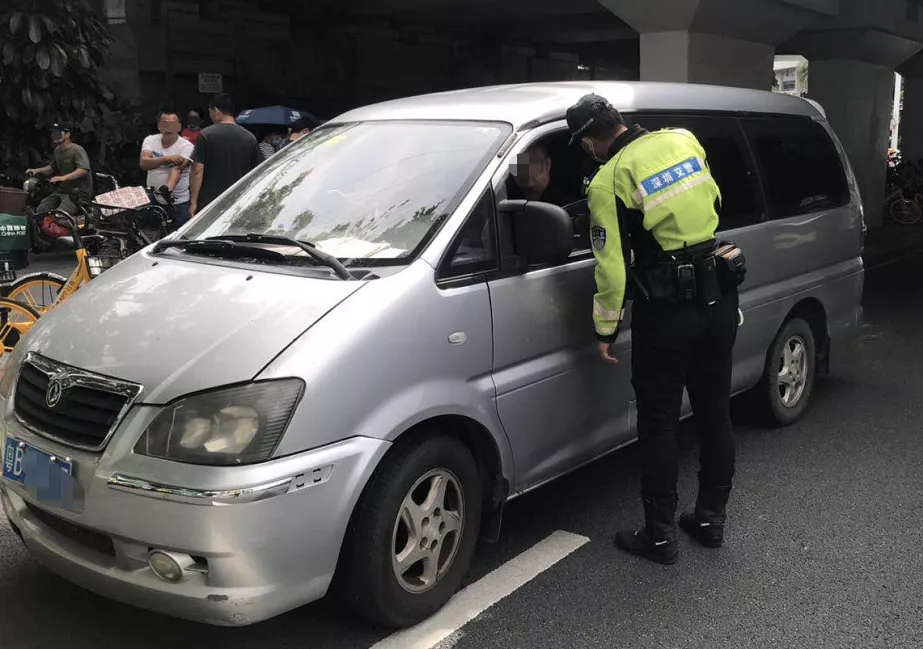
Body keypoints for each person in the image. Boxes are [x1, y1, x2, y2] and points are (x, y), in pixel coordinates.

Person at [566, 93, 745, 565]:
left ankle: (660, 536)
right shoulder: (684, 139)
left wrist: (605, 328)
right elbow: (714, 200)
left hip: (666, 312)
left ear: (588, 142)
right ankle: (710, 520)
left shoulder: (608, 179)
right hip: (719, 296)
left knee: (660, 420)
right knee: (714, 411)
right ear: (619, 121)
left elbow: (611, 268)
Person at [189, 94, 264, 217]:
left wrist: (193, 201)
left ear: (216, 110)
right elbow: (258, 171)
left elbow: (197, 170)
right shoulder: (249, 137)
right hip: (239, 201)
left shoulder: (206, 135)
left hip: (209, 202)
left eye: (210, 112)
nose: (210, 116)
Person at [140, 111, 195, 228]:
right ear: (159, 126)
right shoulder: (150, 140)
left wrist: (168, 189)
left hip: (178, 202)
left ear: (179, 127)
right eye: (164, 123)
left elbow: (178, 169)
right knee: (149, 232)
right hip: (152, 198)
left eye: (173, 124)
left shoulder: (187, 146)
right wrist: (167, 159)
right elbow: (144, 163)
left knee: (178, 234)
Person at [25, 123, 92, 216]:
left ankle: (79, 222)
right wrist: (37, 170)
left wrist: (63, 178)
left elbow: (83, 170)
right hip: (62, 190)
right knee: (40, 211)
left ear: (67, 134)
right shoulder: (57, 150)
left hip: (79, 192)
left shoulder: (77, 150)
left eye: (58, 133)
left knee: (59, 216)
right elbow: (52, 168)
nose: (54, 136)